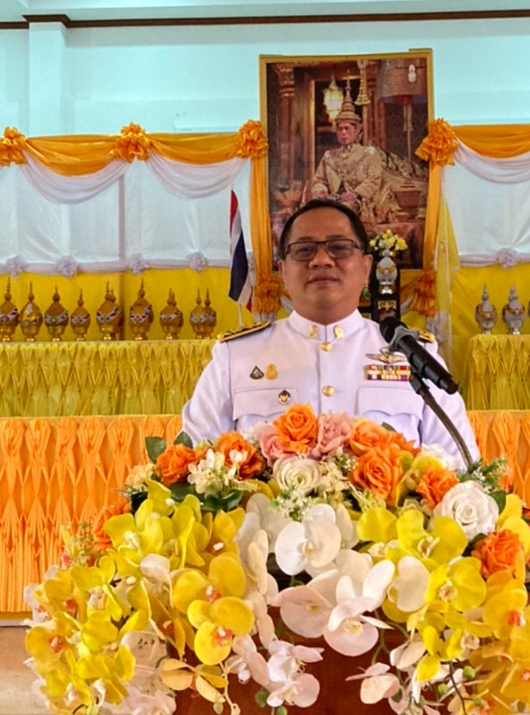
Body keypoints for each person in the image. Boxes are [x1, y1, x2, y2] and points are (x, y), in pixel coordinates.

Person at [181, 199, 479, 459]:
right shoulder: (237, 356)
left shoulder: (413, 356)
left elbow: (461, 466)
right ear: (283, 271)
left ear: (366, 268)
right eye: (304, 250)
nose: (321, 260)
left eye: (339, 248)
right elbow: (193, 463)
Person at [308, 96, 409, 231]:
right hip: (333, 199)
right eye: (340, 129)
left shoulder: (369, 153)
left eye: (347, 128)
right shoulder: (329, 156)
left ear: (356, 131)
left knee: (344, 208)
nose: (343, 133)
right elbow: (319, 180)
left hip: (362, 202)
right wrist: (321, 191)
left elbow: (374, 180)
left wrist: (355, 194)